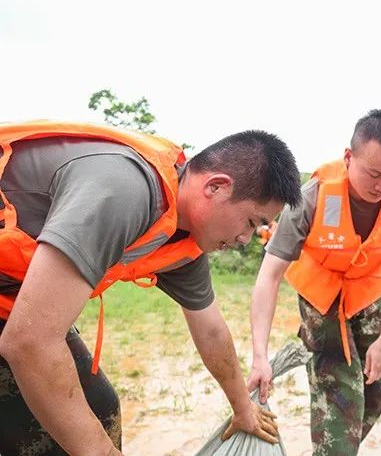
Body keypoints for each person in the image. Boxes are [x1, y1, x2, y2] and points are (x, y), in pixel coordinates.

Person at [0, 120, 301, 454]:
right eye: (251, 222)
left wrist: (243, 409)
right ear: (216, 186)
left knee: (97, 407)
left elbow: (212, 331)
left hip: (12, 304)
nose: (246, 239)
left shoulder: (182, 240)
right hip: (22, 322)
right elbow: (30, 342)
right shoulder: (123, 192)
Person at [248, 109, 381, 455]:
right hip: (322, 300)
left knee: (375, 392)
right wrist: (260, 357)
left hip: (369, 293)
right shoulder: (311, 197)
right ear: (348, 157)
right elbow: (269, 276)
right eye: (374, 174)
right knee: (341, 396)